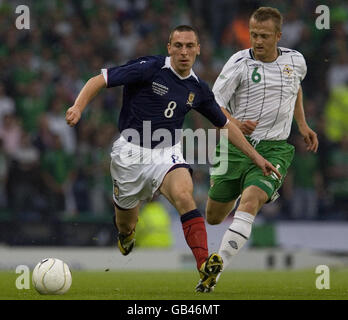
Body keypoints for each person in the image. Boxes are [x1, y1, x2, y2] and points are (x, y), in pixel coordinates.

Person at [65, 25, 280, 293]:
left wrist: (257, 158)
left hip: (166, 152)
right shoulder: (149, 68)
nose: (184, 51)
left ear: (198, 50)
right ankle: (126, 235)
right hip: (129, 154)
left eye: (190, 46)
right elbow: (99, 79)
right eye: (178, 45)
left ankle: (204, 265)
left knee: (184, 195)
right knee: (126, 223)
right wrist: (77, 106)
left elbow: (225, 125)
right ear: (169, 48)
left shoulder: (198, 88)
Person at [206, 7, 319, 288]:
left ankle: (216, 268)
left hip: (274, 149)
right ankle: (237, 188)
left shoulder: (296, 61)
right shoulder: (238, 63)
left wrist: (302, 125)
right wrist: (234, 122)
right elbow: (214, 105)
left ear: (278, 36)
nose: (257, 41)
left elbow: (296, 88)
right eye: (254, 34)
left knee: (251, 201)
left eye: (264, 36)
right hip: (233, 147)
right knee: (214, 216)